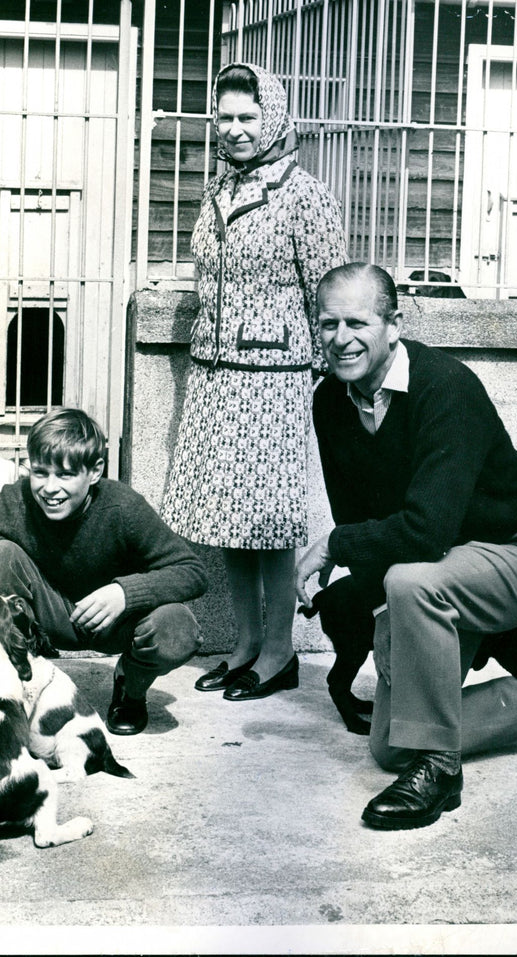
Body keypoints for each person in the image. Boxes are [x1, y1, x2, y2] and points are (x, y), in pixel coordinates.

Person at [295, 262, 517, 831]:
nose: (341, 340)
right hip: (435, 571)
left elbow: (424, 531)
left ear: (394, 324)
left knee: (410, 582)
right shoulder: (330, 402)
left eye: (358, 322)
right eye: (327, 324)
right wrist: (384, 622)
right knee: (391, 746)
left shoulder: (445, 387)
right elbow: (368, 526)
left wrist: (334, 545)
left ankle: (441, 773)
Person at [160, 62, 348, 701]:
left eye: (248, 116)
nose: (236, 130)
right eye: (226, 116)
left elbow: (330, 298)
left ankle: (277, 652)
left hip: (274, 382)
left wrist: (325, 382)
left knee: (267, 523)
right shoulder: (216, 191)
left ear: (273, 117)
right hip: (216, 379)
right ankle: (242, 644)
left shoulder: (304, 195)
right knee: (227, 523)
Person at [0, 408, 206, 735]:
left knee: (176, 628)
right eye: (40, 473)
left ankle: (131, 686)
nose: (50, 488)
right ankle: (18, 687)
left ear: (95, 471)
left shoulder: (123, 507)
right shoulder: (14, 502)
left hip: (115, 621)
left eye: (66, 475)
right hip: (44, 619)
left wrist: (125, 593)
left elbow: (192, 571)